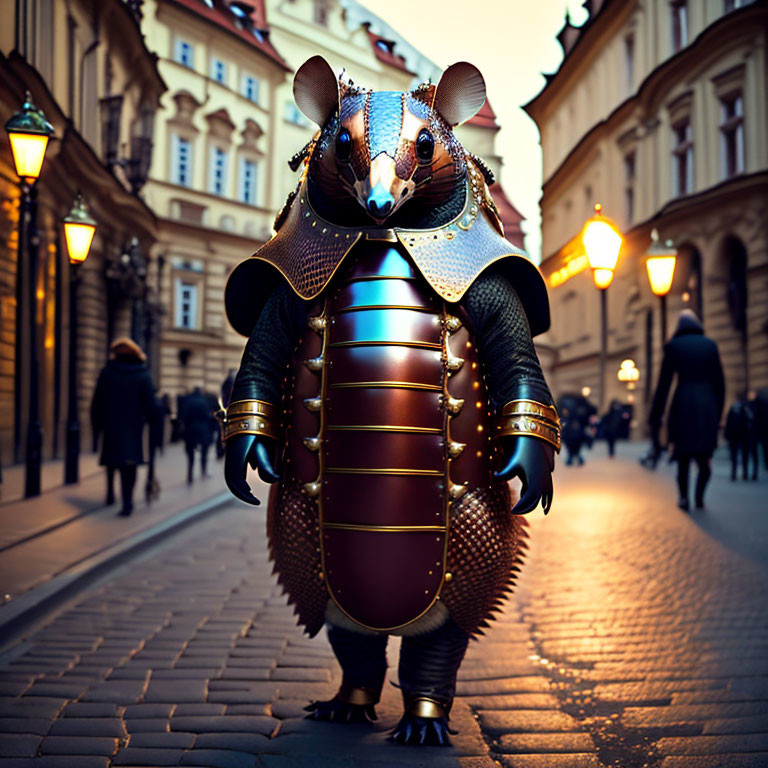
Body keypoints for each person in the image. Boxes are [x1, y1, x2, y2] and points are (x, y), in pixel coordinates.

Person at [649, 310, 725, 511]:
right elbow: (720, 384)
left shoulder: (674, 346)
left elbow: (664, 385)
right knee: (705, 458)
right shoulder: (711, 346)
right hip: (707, 406)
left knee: (683, 458)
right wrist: (718, 413)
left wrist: (655, 414)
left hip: (683, 404)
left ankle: (684, 497)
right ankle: (700, 496)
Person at [91, 338, 155, 516]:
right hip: (133, 427)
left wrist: (96, 427)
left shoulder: (107, 373)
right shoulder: (143, 375)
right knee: (129, 464)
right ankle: (127, 502)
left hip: (111, 425)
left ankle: (110, 493)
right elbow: (150, 405)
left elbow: (97, 402)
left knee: (112, 461)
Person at [179, 386, 217, 483]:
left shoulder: (188, 401)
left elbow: (184, 416)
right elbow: (208, 416)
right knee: (204, 452)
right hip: (203, 430)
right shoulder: (205, 401)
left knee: (190, 454)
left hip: (190, 430)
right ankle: (203, 471)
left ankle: (190, 475)